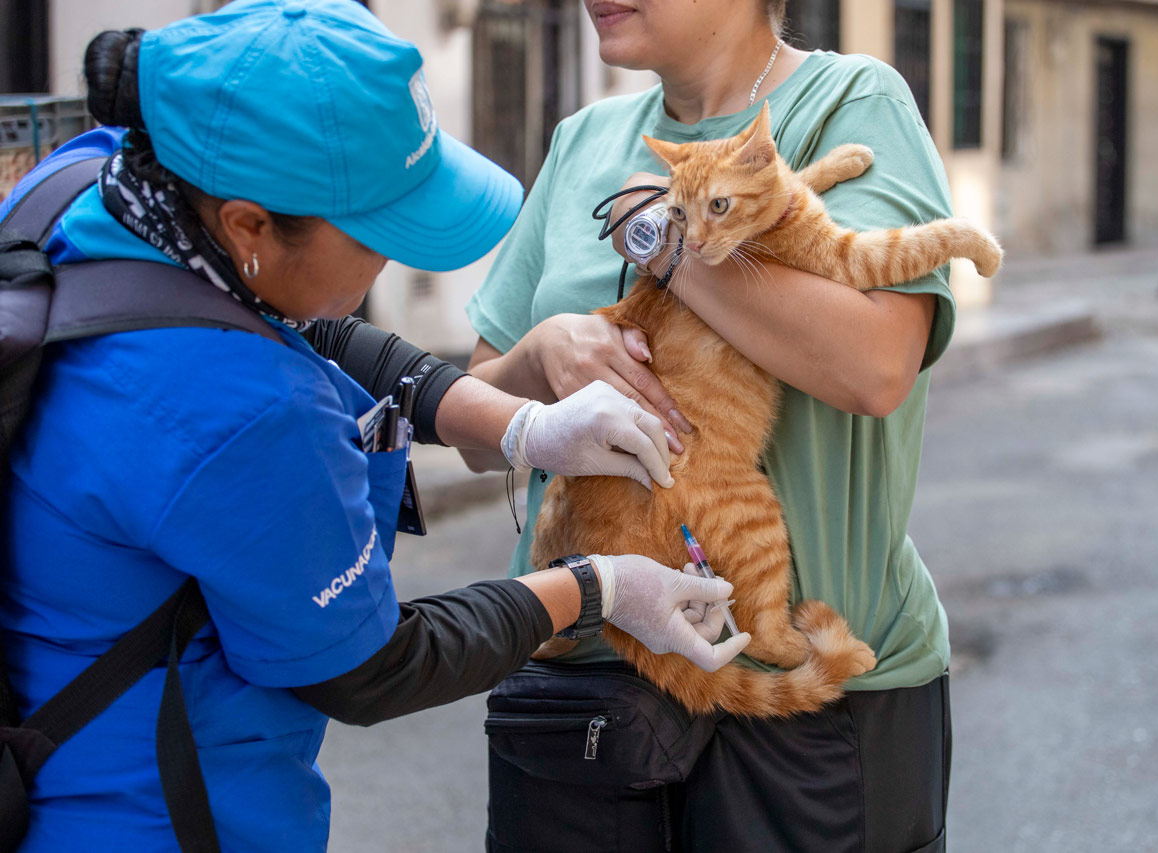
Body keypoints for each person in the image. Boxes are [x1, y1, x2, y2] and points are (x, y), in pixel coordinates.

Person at [0, 1, 750, 849]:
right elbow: (368, 667)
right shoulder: (242, 413)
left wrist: (516, 425)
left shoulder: (99, 184)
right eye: (376, 232)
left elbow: (294, 318)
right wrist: (600, 587)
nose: (391, 258)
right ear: (250, 223)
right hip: (156, 818)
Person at [462, 0, 954, 850]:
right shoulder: (585, 139)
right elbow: (477, 427)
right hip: (581, 686)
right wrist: (540, 355)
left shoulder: (852, 103)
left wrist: (663, 241)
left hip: (798, 694)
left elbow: (876, 368)